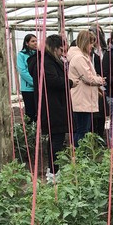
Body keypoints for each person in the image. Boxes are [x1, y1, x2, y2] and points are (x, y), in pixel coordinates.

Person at [30, 34, 74, 182]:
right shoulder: (46, 62)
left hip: (55, 105)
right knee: (56, 139)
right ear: (54, 48)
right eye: (61, 49)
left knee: (56, 138)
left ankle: (53, 171)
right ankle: (54, 173)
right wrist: (69, 82)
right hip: (52, 106)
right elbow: (52, 81)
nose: (63, 52)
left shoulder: (48, 60)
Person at [67, 30, 106, 146]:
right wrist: (100, 80)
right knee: (82, 130)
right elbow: (88, 78)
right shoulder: (79, 58)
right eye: (91, 43)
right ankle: (77, 154)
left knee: (82, 129)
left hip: (83, 99)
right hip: (81, 99)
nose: (92, 46)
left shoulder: (81, 57)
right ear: (84, 43)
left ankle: (78, 154)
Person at [88, 25, 108, 139]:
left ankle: (99, 136)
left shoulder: (103, 51)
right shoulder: (86, 54)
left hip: (101, 86)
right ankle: (92, 137)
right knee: (92, 114)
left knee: (101, 113)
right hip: (91, 86)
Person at [17, 33, 38, 123]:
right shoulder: (21, 55)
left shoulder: (38, 54)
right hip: (28, 89)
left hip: (38, 88)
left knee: (38, 111)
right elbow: (22, 71)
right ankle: (30, 132)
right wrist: (35, 82)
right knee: (30, 112)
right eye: (32, 41)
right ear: (26, 43)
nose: (35, 43)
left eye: (36, 41)